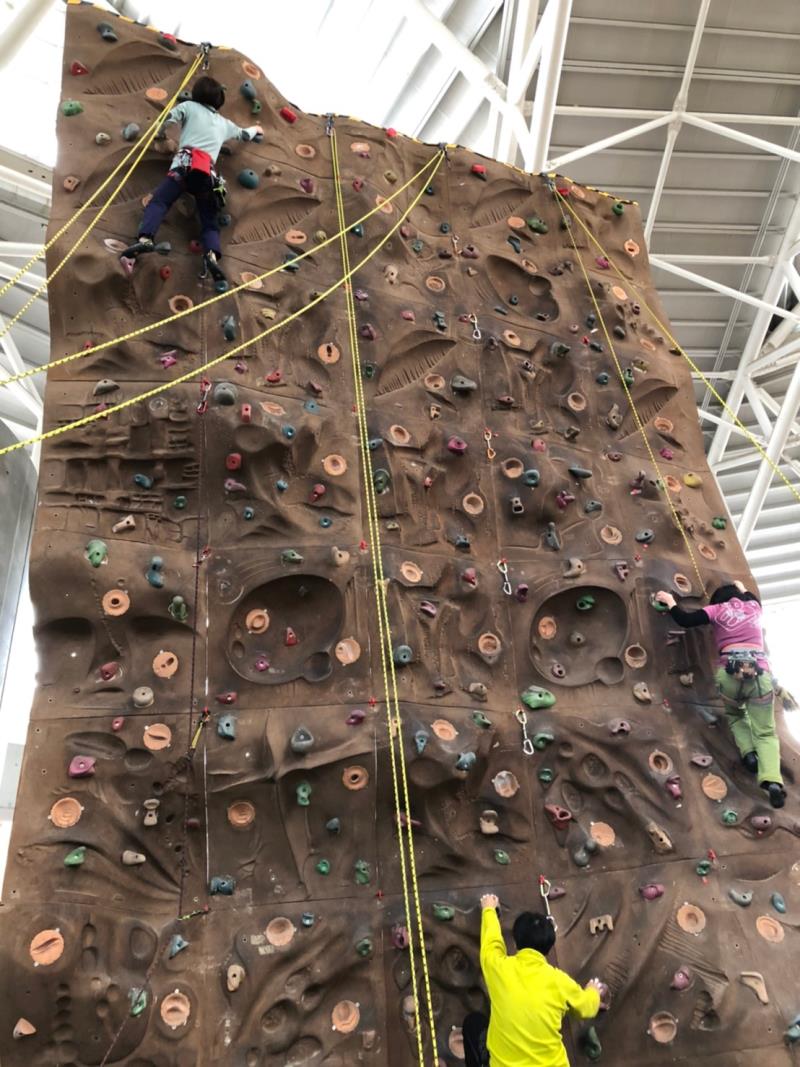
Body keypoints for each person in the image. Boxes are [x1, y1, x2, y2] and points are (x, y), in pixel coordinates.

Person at [122, 75, 263, 290]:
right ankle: (211, 255)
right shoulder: (224, 123)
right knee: (209, 221)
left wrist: (160, 134)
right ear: (219, 100)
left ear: (196, 94)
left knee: (160, 202)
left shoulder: (189, 106)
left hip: (184, 167)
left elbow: (169, 118)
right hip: (207, 176)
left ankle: (145, 239)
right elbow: (244, 134)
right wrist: (256, 129)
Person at [655, 579, 786, 808]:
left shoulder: (717, 610)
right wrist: (741, 586)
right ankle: (772, 781)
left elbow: (686, 620)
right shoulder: (754, 607)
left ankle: (749, 754)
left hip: (730, 673)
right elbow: (749, 595)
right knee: (765, 732)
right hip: (759, 674)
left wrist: (670, 601)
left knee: (736, 715)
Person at [462, 893, 604, 1067]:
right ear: (548, 948)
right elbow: (587, 1008)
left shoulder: (499, 968)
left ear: (516, 943)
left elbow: (492, 945)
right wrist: (593, 991)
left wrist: (489, 910)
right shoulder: (559, 982)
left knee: (473, 1023)